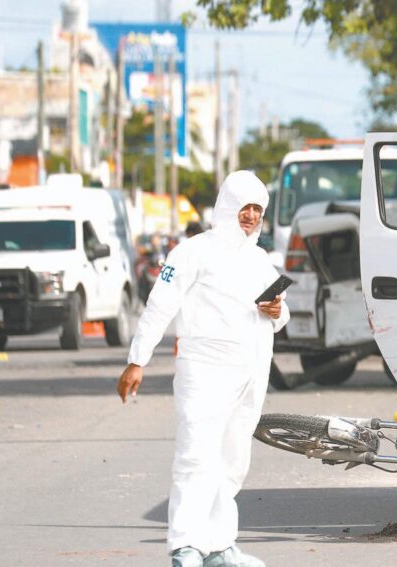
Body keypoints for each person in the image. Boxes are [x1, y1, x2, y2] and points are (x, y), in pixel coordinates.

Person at [116, 171, 290, 567]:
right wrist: (137, 360)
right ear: (227, 207)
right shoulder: (192, 251)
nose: (249, 215)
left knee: (232, 460)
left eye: (257, 209)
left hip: (250, 372)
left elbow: (281, 312)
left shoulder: (260, 259)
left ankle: (220, 545)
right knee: (197, 456)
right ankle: (186, 546)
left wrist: (277, 311)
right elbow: (161, 304)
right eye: (243, 206)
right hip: (205, 371)